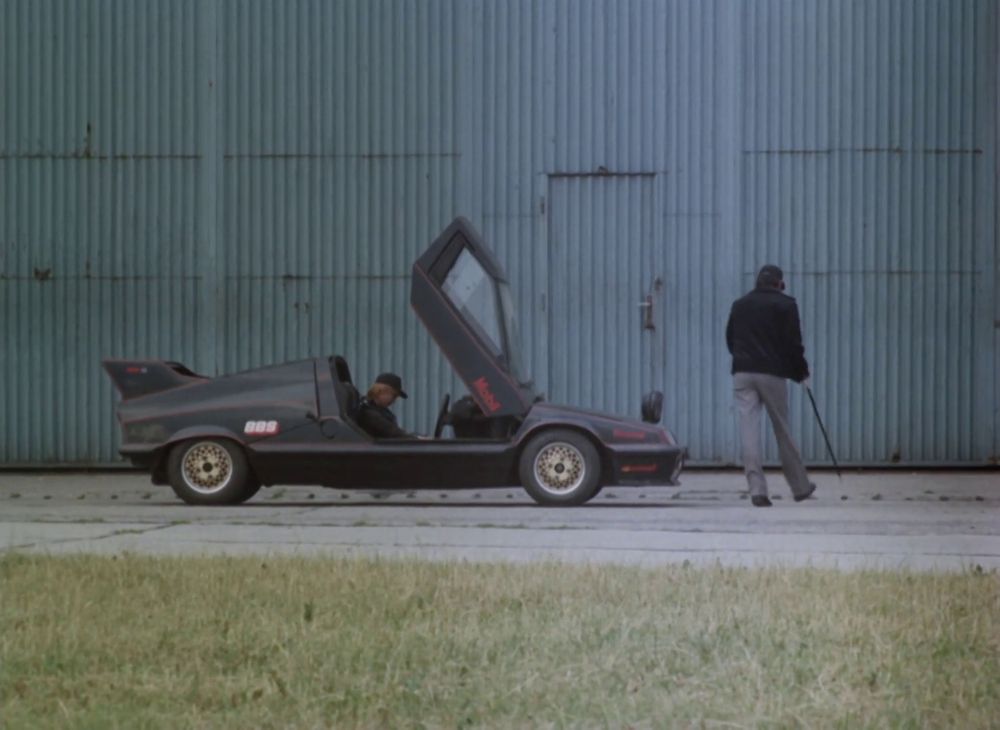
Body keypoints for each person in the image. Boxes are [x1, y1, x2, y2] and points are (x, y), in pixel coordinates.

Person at [725, 264, 816, 507]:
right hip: (772, 374)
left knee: (749, 431)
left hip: (742, 373)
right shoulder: (786, 305)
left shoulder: (739, 304)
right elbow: (793, 345)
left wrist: (744, 359)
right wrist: (801, 372)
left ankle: (757, 490)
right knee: (782, 429)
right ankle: (800, 487)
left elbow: (730, 339)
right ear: (779, 283)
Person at [356, 372, 418, 439]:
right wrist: (415, 439)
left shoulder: (378, 410)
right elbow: (393, 432)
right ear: (383, 391)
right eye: (394, 396)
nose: (394, 401)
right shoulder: (369, 413)